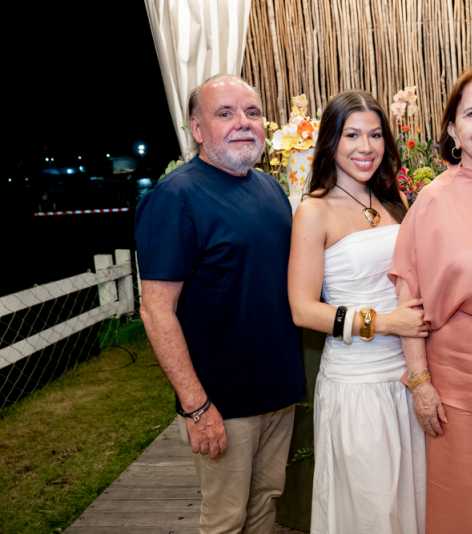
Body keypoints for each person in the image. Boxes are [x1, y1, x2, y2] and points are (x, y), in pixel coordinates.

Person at [136, 74, 306, 534]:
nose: (243, 123)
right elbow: (155, 310)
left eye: (251, 112)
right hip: (222, 402)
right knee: (226, 519)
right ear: (196, 129)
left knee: (264, 507)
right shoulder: (176, 197)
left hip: (277, 392)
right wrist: (196, 405)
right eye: (225, 113)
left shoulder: (270, 190)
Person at [288, 91, 428, 534]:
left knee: (413, 502)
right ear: (330, 141)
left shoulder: (393, 203)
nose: (365, 147)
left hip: (407, 380)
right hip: (357, 387)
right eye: (352, 135)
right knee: (372, 511)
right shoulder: (314, 211)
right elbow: (303, 310)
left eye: (375, 135)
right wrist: (385, 323)